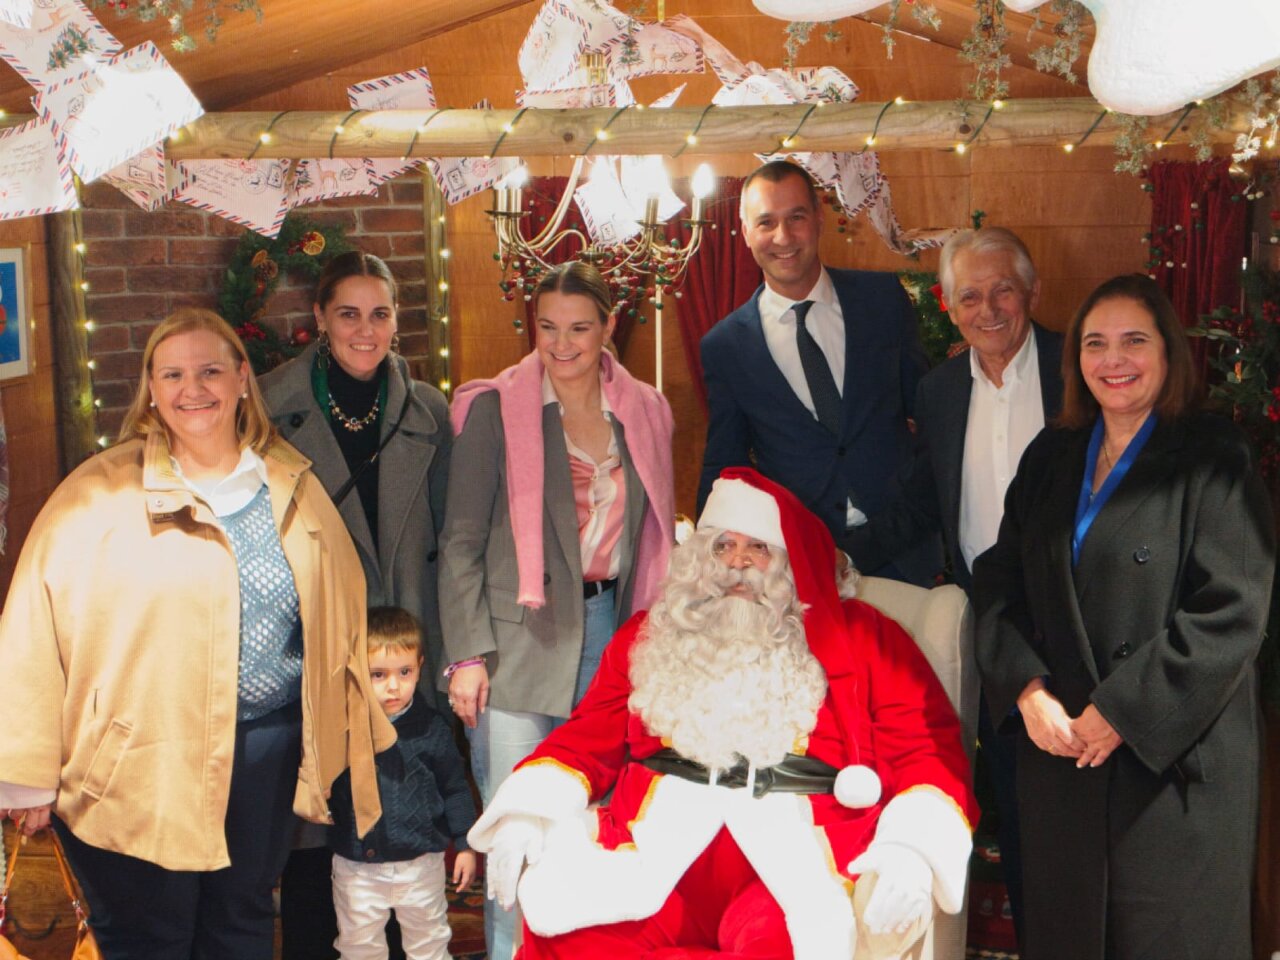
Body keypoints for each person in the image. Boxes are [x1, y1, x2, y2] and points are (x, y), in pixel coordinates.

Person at [0, 308, 394, 960]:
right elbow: (31, 633)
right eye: (173, 375)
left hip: (263, 753)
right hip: (141, 760)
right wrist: (26, 773)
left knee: (241, 925)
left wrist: (340, 731)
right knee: (150, 937)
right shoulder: (97, 496)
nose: (193, 389)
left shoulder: (288, 482)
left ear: (241, 378)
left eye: (210, 371)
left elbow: (338, 609)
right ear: (151, 390)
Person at [468, 468, 978, 959]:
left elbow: (925, 752)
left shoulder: (864, 636)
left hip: (795, 856)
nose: (737, 563)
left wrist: (913, 850)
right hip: (653, 843)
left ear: (791, 563)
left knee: (788, 946)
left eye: (758, 548)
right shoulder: (650, 634)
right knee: (568, 932)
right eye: (722, 546)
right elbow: (586, 740)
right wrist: (528, 811)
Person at [974, 274, 1275, 960]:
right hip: (1062, 751)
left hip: (1172, 760)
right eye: (1095, 343)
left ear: (1167, 352)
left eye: (1134, 341)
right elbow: (998, 578)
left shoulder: (1214, 454)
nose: (1114, 360)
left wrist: (1122, 712)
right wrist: (1026, 691)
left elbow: (1232, 608)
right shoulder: (1051, 453)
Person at [439, 260, 675, 960]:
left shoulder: (644, 410)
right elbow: (460, 543)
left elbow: (655, 532)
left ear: (608, 327)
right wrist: (467, 656)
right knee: (516, 833)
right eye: (548, 328)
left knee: (591, 826)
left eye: (579, 328)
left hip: (613, 635)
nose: (562, 344)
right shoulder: (495, 408)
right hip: (515, 642)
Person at [846, 226, 1063, 944]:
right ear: (948, 306)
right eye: (970, 296)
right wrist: (833, 554)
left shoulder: (1078, 367)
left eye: (1003, 291)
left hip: (1081, 623)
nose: (988, 309)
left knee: (1085, 817)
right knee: (1018, 811)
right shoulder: (939, 392)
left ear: (1031, 292)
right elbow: (919, 506)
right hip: (993, 630)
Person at [261, 249, 453, 960]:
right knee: (320, 829)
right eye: (348, 314)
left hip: (402, 642)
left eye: (380, 314)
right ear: (319, 318)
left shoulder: (428, 409)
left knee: (403, 823)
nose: (365, 330)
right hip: (321, 640)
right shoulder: (270, 403)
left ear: (397, 321)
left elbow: (450, 533)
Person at [697, 159, 938, 584]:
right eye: (766, 222)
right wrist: (705, 565)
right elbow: (725, 463)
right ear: (746, 231)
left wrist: (920, 511)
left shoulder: (882, 301)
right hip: (799, 566)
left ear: (819, 219)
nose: (783, 237)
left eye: (796, 218)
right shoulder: (726, 346)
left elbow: (930, 419)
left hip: (902, 552)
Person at [328, 607, 477, 960]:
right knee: (359, 949)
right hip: (357, 867)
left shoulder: (433, 728)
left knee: (429, 945)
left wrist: (466, 844)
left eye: (404, 672)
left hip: (421, 864)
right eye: (378, 674)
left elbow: (455, 788)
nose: (393, 686)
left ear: (420, 666)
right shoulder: (343, 728)